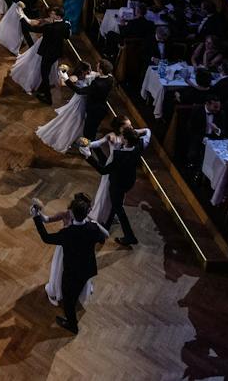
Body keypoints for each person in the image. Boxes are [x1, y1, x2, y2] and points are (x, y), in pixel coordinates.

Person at [31, 192, 108, 334]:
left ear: (72, 213)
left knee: (68, 300)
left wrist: (36, 217)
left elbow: (46, 238)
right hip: (87, 268)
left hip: (72, 271)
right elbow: (103, 237)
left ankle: (72, 325)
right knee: (78, 289)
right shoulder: (93, 228)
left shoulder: (67, 234)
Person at [78, 123, 150, 245]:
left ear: (126, 140)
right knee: (116, 204)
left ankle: (129, 236)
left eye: (124, 137)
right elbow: (148, 132)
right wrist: (139, 131)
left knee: (117, 207)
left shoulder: (120, 156)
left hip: (117, 184)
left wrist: (89, 157)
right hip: (129, 181)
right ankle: (107, 225)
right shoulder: (140, 145)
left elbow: (103, 170)